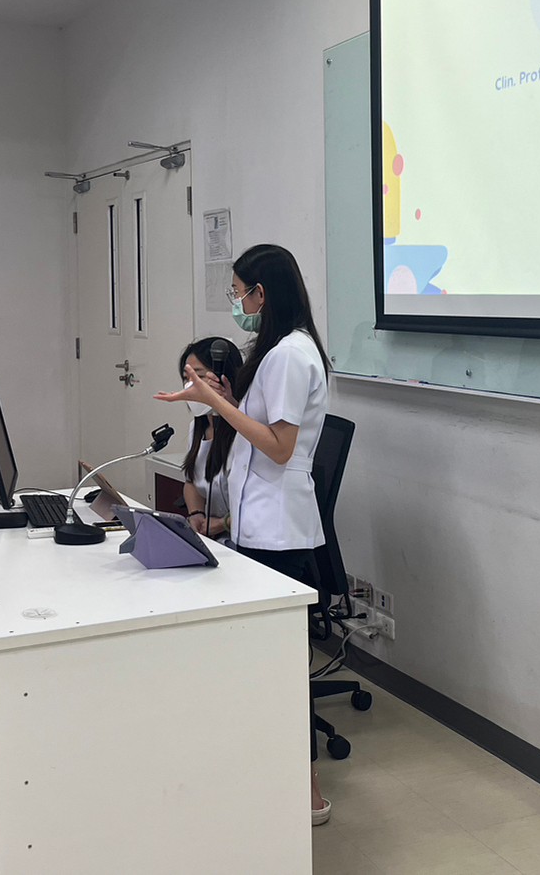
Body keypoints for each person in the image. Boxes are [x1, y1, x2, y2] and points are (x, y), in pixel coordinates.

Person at [154, 243, 333, 825]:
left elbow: (279, 447)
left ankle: (307, 794)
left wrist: (216, 403)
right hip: (263, 523)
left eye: (237, 293)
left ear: (262, 293)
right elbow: (262, 425)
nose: (236, 303)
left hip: (278, 530)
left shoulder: (291, 355)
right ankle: (269, 779)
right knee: (265, 667)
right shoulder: (279, 351)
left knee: (281, 670)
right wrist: (221, 401)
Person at [175, 336, 243, 539]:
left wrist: (223, 523)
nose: (190, 385)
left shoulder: (247, 429)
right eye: (186, 378)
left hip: (246, 540)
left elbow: (265, 504)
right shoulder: (197, 427)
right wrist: (196, 513)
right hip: (214, 538)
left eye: (199, 376)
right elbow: (192, 482)